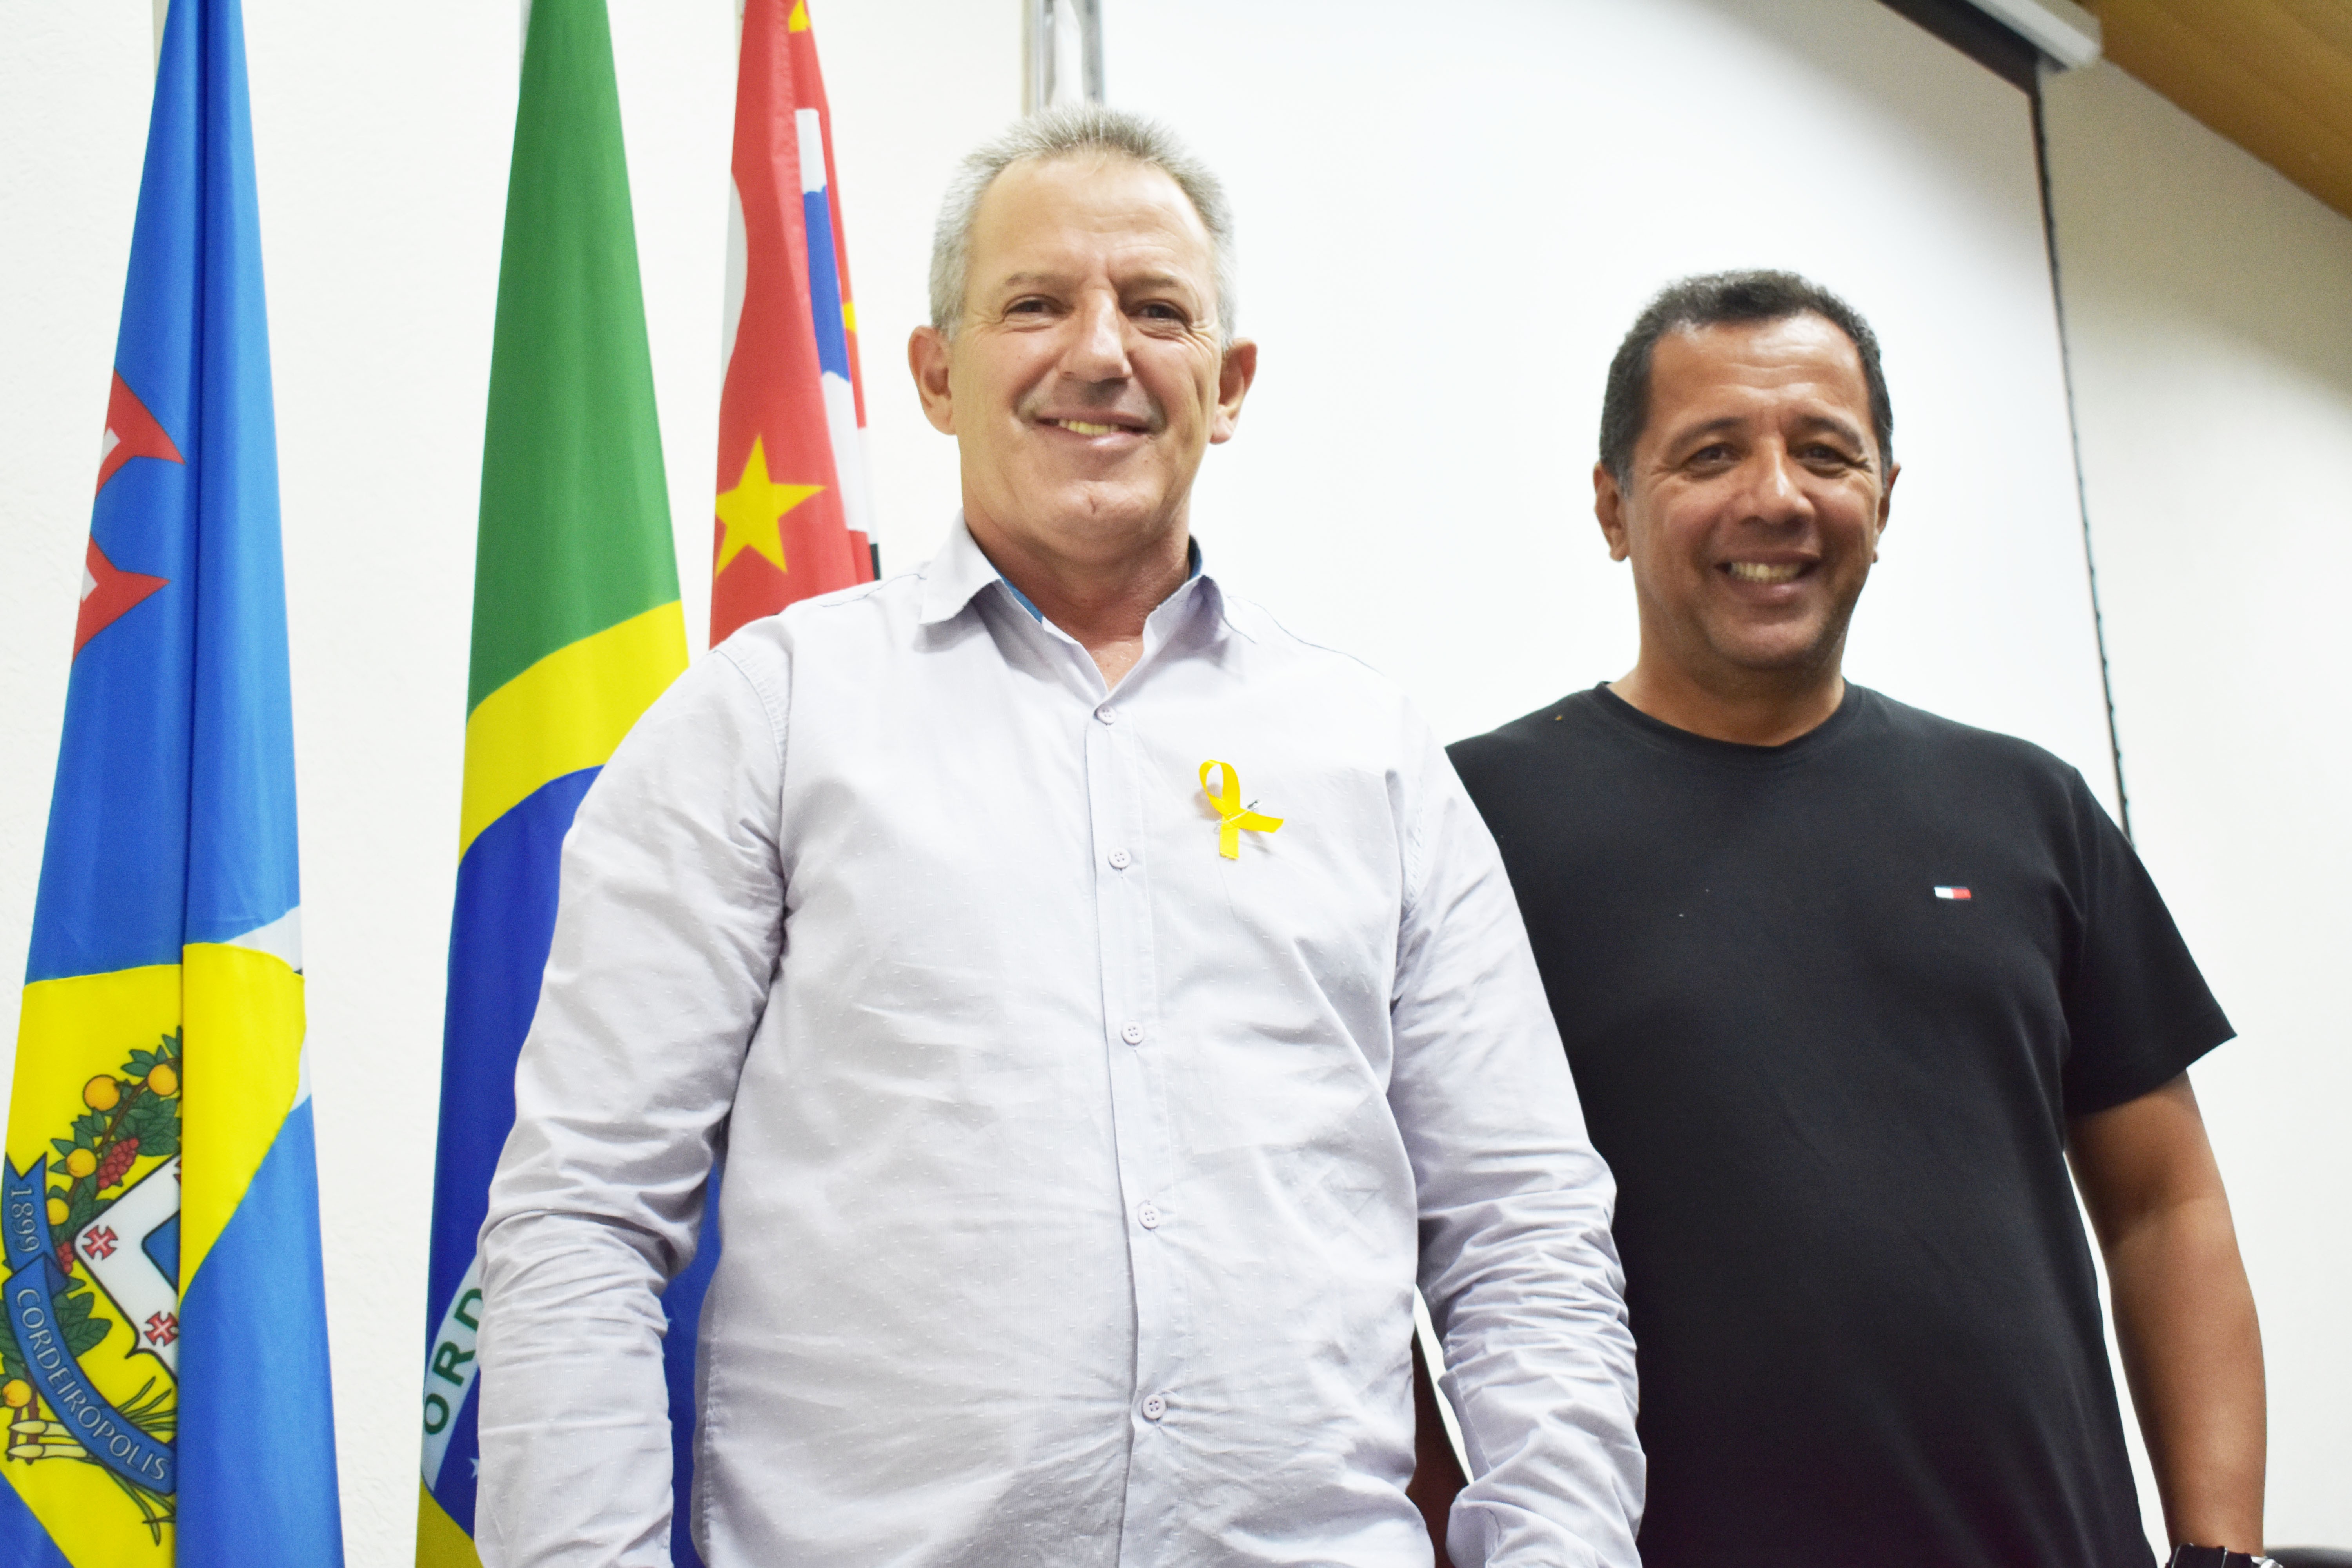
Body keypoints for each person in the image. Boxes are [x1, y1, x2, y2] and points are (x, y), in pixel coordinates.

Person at [472, 107, 1642, 1568]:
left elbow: (1524, 1232)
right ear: (936, 373)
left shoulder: (1373, 757)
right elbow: (582, 1220)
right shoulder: (765, 719)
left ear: (1230, 385)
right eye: (1035, 305)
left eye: (1158, 311)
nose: (1100, 353)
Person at [1447, 271, 2268, 1568]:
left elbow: (2166, 1208)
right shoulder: (1470, 823)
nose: (1776, 496)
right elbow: (1365, 1244)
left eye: (1827, 453)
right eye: (1711, 454)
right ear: (1612, 506)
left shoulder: (2027, 807)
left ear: (1885, 498)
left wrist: (2222, 1552)